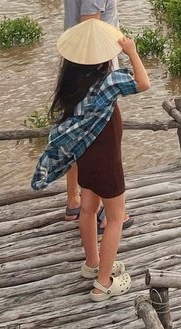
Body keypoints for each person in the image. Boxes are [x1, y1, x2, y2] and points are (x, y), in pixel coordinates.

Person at [32, 18, 151, 303]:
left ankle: (92, 263)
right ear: (103, 57)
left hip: (85, 159)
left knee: (87, 209)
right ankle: (103, 283)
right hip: (108, 163)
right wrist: (131, 51)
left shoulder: (72, 85)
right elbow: (144, 83)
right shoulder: (109, 81)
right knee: (115, 219)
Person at [57, 0, 134, 227]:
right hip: (95, 71)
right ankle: (105, 210)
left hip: (73, 65)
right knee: (102, 140)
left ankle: (74, 200)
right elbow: (90, 33)